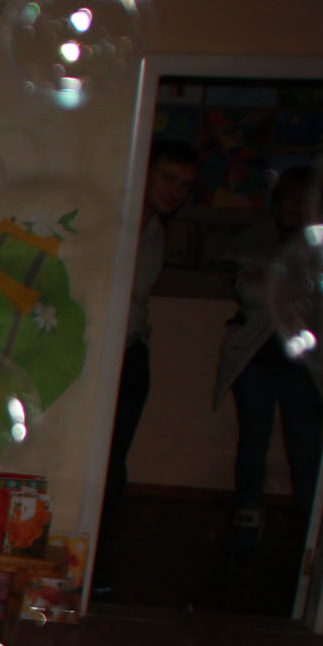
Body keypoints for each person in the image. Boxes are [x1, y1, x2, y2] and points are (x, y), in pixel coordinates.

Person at [95, 139, 198, 598]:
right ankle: (91, 560)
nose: (176, 191)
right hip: (102, 355)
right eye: (168, 178)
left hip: (132, 353)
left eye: (185, 185)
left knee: (113, 464)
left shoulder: (155, 228)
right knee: (98, 463)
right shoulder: (115, 223)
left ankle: (98, 561)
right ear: (145, 172)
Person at [213, 163, 323, 560]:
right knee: (252, 443)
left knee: (305, 450)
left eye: (303, 199)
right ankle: (247, 523)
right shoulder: (256, 239)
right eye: (289, 198)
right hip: (256, 362)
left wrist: (277, 282)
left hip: (302, 366)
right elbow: (251, 295)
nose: (295, 206)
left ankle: (310, 531)